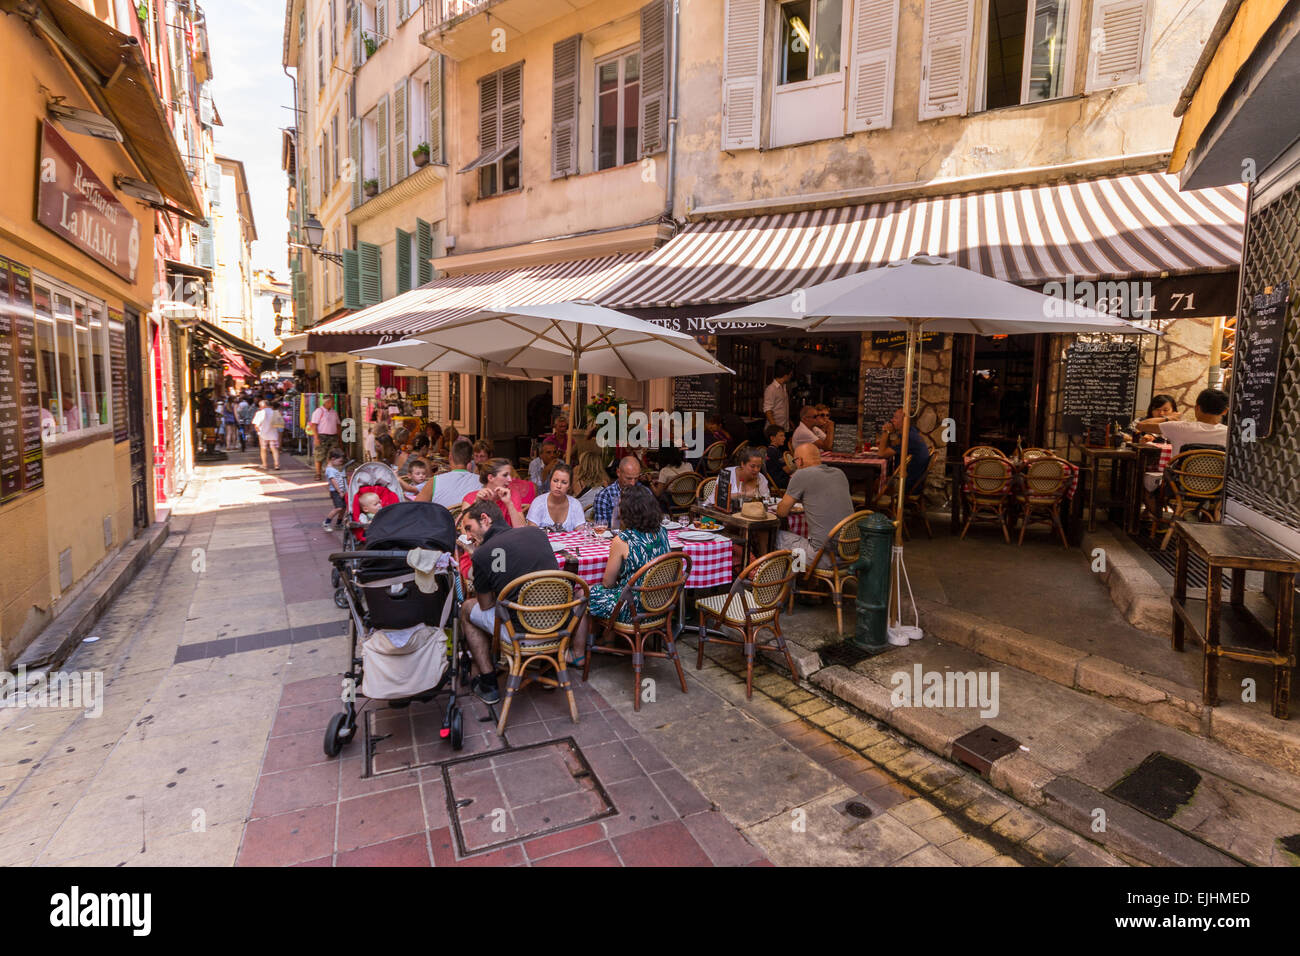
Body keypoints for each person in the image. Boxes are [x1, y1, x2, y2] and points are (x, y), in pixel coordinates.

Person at [457, 500, 562, 704]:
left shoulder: (484, 554)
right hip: (558, 624)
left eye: (469, 528)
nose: (468, 536)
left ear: (485, 519)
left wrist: (476, 557)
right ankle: (547, 667)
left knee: (468, 607)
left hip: (521, 631)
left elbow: (486, 605)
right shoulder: (536, 533)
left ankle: (488, 683)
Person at [572, 484, 670, 666]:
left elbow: (607, 583)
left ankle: (577, 654)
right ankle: (608, 640)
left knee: (582, 593)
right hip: (659, 605)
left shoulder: (623, 540)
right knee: (622, 587)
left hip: (631, 610)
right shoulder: (662, 533)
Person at [1137, 387, 1229, 508]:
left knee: (1145, 484)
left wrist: (1167, 418)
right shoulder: (1230, 433)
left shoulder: (1179, 427)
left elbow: (1140, 425)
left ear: (1197, 408)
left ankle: (1162, 521)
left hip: (1178, 489)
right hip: (1216, 490)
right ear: (1225, 411)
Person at [775, 443, 854, 567]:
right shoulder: (839, 473)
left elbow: (781, 512)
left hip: (823, 557)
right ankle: (802, 577)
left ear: (799, 461)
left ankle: (791, 582)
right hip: (849, 554)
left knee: (775, 537)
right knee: (805, 538)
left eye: (795, 461)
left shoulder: (801, 475)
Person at [877, 407, 932, 494]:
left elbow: (881, 453)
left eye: (896, 418)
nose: (892, 420)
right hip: (911, 480)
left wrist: (886, 432)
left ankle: (869, 505)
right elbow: (891, 447)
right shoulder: (911, 432)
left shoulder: (908, 438)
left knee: (871, 482)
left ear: (906, 421)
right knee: (878, 478)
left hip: (906, 484)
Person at [420, 438, 482, 508]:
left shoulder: (434, 481)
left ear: (450, 457)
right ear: (471, 459)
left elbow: (416, 508)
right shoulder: (481, 482)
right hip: (468, 517)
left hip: (443, 518)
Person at [526, 463, 585, 531]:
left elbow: (581, 534)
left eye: (564, 482)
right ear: (550, 481)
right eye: (555, 481)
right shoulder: (538, 503)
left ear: (569, 486)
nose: (558, 486)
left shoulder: (575, 505)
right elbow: (532, 532)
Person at [591, 456, 641, 530]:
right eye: (628, 478)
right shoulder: (605, 496)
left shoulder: (645, 493)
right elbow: (601, 528)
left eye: (636, 478)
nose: (633, 483)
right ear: (618, 472)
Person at [309, 396, 341, 480]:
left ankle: (330, 473)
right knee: (319, 455)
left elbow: (338, 425)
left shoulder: (334, 412)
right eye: (332, 402)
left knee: (332, 456)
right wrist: (316, 437)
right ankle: (318, 473)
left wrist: (339, 437)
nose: (334, 403)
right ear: (327, 402)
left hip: (333, 436)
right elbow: (313, 425)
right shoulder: (319, 411)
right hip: (322, 436)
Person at [252, 400, 284, 469]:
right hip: (273, 434)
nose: (259, 407)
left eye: (260, 406)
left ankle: (264, 465)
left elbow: (256, 425)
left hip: (263, 434)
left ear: (263, 406)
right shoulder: (275, 413)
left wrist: (258, 432)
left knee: (263, 449)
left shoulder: (259, 413)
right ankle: (276, 464)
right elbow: (280, 424)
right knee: (274, 449)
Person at [764, 359, 794, 431]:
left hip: (784, 427)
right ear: (786, 375)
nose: (791, 376)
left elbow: (782, 407)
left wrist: (789, 421)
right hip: (775, 430)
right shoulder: (771, 389)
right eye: (790, 374)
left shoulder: (783, 387)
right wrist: (775, 429)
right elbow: (768, 410)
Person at [323, 448, 347, 530]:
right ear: (333, 459)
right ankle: (326, 523)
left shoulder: (333, 469)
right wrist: (339, 491)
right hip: (336, 492)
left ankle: (339, 523)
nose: (340, 463)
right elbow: (333, 481)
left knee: (343, 508)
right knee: (338, 508)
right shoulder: (330, 470)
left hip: (339, 491)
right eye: (339, 461)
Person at [765, 424, 793, 491]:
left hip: (779, 479)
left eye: (784, 435)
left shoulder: (771, 450)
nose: (784, 438)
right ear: (772, 438)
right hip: (780, 481)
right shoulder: (774, 452)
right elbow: (788, 470)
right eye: (781, 436)